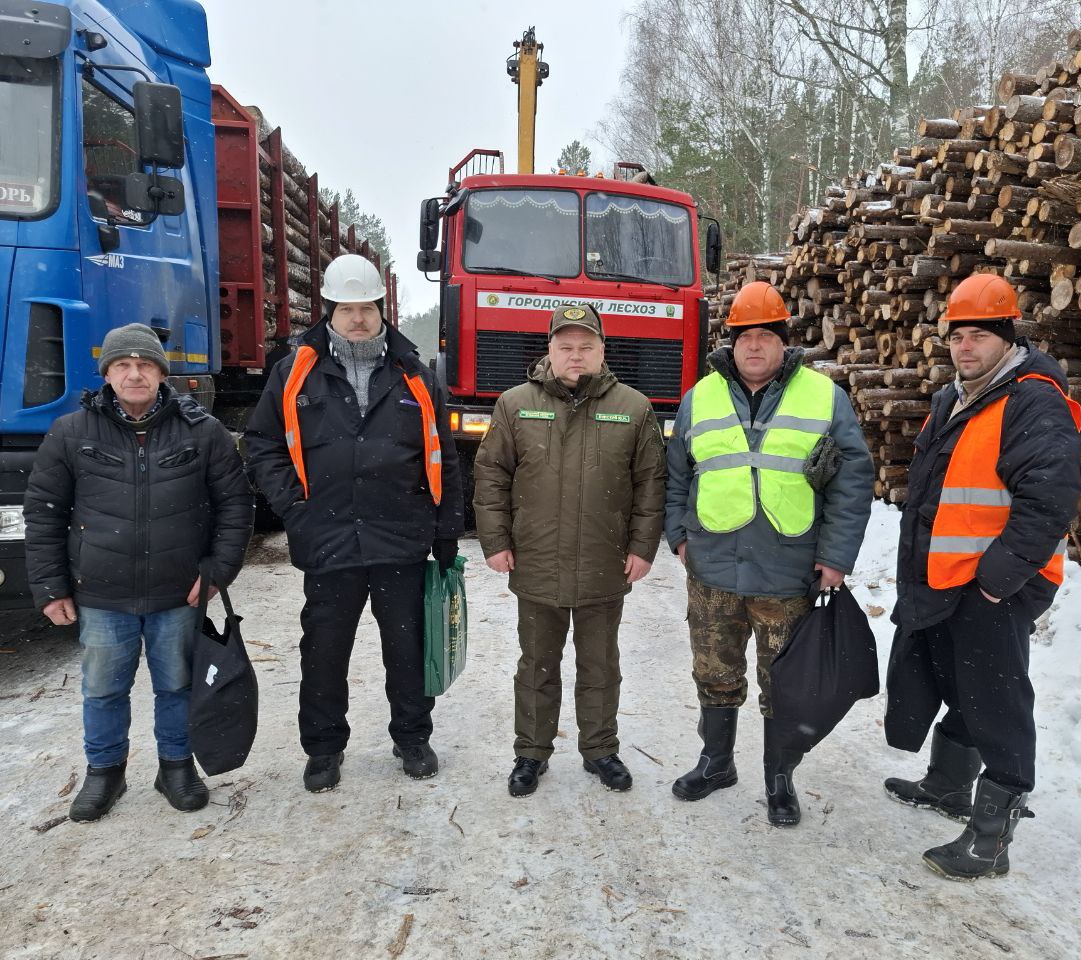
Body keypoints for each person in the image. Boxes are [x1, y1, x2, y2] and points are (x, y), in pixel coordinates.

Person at [883, 272, 1081, 880]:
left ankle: (991, 840)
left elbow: (1049, 499)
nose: (964, 347)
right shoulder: (957, 399)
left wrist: (997, 579)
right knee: (955, 680)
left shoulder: (1032, 399)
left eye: (978, 336)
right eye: (956, 336)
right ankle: (948, 785)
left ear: (1007, 337)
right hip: (951, 577)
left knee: (997, 701)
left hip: (996, 583)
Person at [244, 254, 464, 793]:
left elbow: (444, 456)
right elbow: (262, 444)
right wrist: (295, 507)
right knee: (323, 651)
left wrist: (446, 530)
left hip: (400, 537)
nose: (358, 318)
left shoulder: (414, 374)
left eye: (367, 307)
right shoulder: (294, 371)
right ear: (329, 311)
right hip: (328, 537)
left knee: (408, 649)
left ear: (381, 309)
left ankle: (412, 737)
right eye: (347, 309)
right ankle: (323, 748)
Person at [24, 323, 254, 822]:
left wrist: (218, 571)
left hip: (178, 592)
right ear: (107, 374)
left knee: (177, 686)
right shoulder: (71, 433)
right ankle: (105, 771)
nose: (134, 374)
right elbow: (44, 512)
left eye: (145, 364)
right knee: (103, 690)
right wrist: (50, 586)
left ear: (161, 373)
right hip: (101, 595)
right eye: (123, 365)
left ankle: (176, 766)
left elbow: (236, 505)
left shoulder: (203, 432)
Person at [664, 281, 873, 826]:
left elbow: (852, 483)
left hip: (788, 569)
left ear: (784, 341)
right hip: (712, 566)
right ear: (731, 343)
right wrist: (679, 535)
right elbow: (677, 474)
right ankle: (716, 763)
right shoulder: (699, 397)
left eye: (765, 336)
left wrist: (836, 557)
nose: (754, 346)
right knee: (714, 670)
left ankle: (780, 779)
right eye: (744, 337)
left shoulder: (824, 396)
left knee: (784, 684)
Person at [473, 303, 666, 797]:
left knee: (600, 665)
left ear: (602, 351)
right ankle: (531, 753)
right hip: (537, 560)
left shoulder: (634, 407)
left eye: (585, 346)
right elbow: (491, 476)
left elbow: (650, 484)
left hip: (604, 561)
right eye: (566, 347)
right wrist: (495, 541)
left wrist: (643, 547)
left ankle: (600, 749)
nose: (575, 356)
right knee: (536, 665)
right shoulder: (515, 404)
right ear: (550, 350)